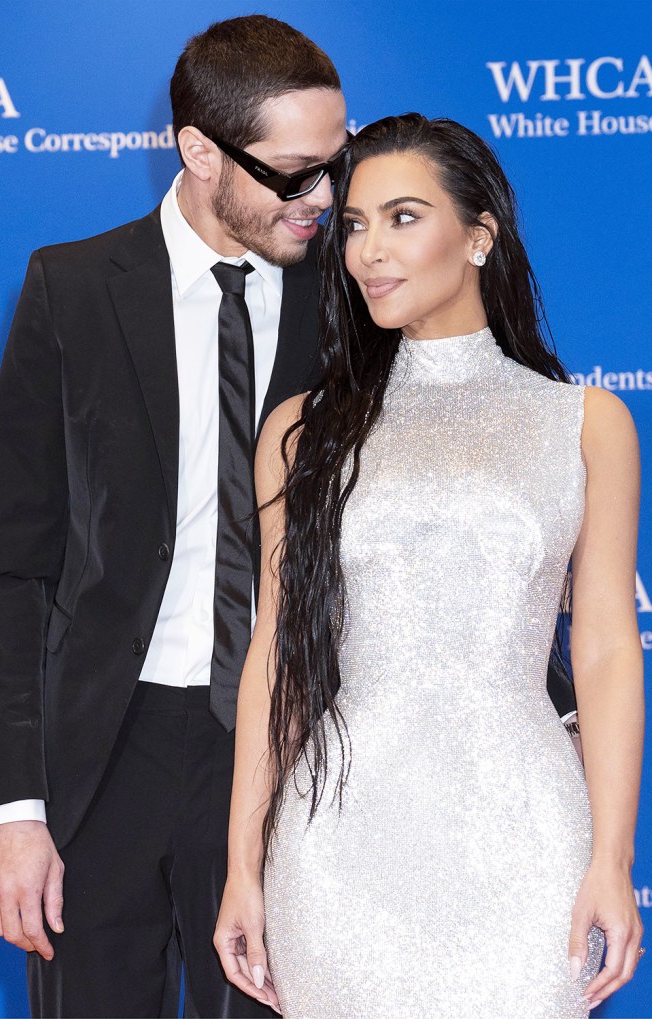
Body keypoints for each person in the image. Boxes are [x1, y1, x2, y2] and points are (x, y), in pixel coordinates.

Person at [214, 114, 645, 1017]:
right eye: (357, 224)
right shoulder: (302, 433)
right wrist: (242, 867)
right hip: (338, 848)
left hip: (524, 842)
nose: (369, 250)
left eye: (403, 217)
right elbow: (279, 660)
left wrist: (611, 858)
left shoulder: (584, 423)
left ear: (479, 235)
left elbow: (605, 648)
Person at [0, 15, 347, 1018]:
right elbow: (12, 568)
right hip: (104, 754)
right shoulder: (72, 288)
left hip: (281, 745)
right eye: (291, 172)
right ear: (197, 152)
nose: (320, 199)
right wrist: (14, 807)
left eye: (331, 167)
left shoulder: (350, 300)